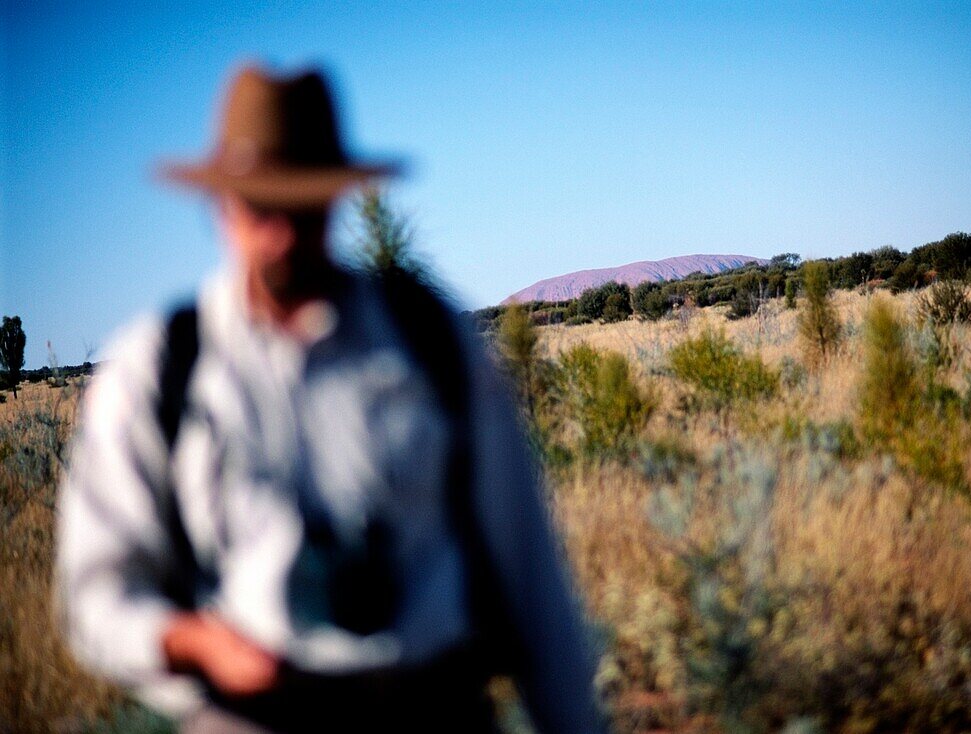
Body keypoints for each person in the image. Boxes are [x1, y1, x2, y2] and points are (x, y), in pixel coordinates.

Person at [56, 64, 604, 733]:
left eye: (306, 208)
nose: (284, 234)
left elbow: (533, 579)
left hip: (434, 709)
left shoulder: (430, 340)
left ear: (338, 199)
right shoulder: (157, 369)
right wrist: (194, 642)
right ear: (220, 206)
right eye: (262, 207)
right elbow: (96, 596)